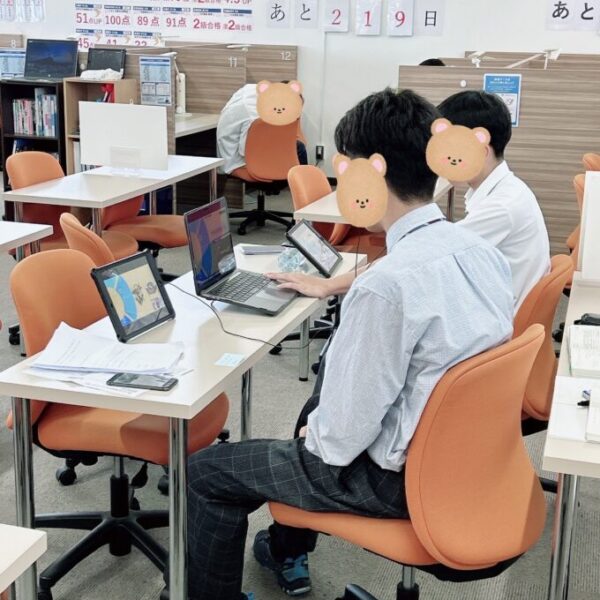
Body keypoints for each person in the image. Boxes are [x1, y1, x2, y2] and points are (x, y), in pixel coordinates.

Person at [185, 88, 514, 600]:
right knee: (317, 402)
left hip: (395, 480)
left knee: (205, 472)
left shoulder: (385, 287)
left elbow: (337, 443)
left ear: (371, 174)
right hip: (468, 461)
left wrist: (310, 437)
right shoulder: (479, 252)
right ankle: (285, 549)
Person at [273, 91, 550, 313]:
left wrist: (329, 285)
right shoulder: (504, 191)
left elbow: (415, 260)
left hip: (496, 315)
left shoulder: (501, 207)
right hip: (493, 303)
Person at [216, 82, 308, 174]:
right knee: (296, 149)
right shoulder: (254, 117)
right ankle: (301, 181)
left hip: (244, 147)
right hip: (237, 163)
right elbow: (246, 152)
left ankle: (300, 180)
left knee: (295, 147)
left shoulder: (258, 91)